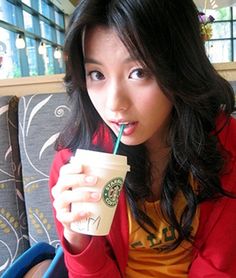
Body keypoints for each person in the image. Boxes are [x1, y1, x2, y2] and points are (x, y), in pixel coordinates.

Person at [49, 0, 236, 277]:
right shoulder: (74, 164)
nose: (114, 104)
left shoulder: (226, 144)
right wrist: (77, 239)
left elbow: (219, 266)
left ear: (179, 67)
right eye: (97, 74)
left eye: (138, 72)